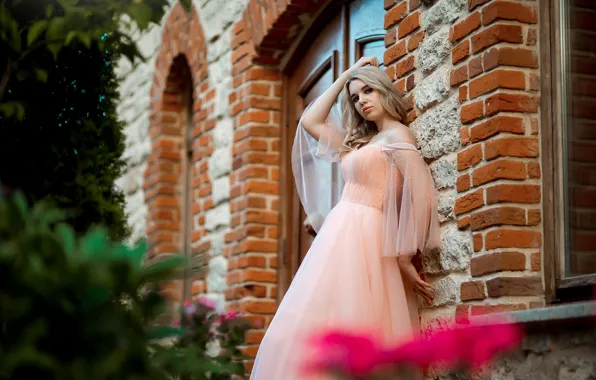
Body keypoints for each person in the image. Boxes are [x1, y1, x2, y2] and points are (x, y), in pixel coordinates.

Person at [249, 57, 441, 379]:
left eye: (368, 90)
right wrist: (346, 76)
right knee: (319, 318)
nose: (362, 100)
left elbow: (418, 197)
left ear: (384, 91)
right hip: (340, 237)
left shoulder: (399, 137)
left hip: (370, 238)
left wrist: (406, 256)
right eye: (355, 97)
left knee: (361, 319)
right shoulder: (361, 142)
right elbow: (310, 121)